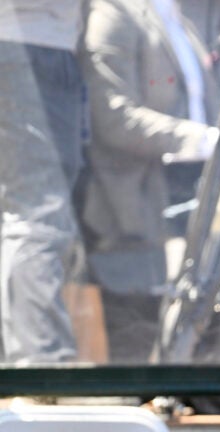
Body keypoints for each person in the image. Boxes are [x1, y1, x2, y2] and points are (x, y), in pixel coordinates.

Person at [77, 0, 220, 363]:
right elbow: (113, 116)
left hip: (199, 202)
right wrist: (211, 140)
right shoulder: (115, 13)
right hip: (140, 213)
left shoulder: (181, 22)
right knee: (140, 341)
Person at [0, 0, 86, 364]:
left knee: (40, 213)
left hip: (41, 46)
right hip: (26, 47)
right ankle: (41, 367)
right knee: (38, 214)